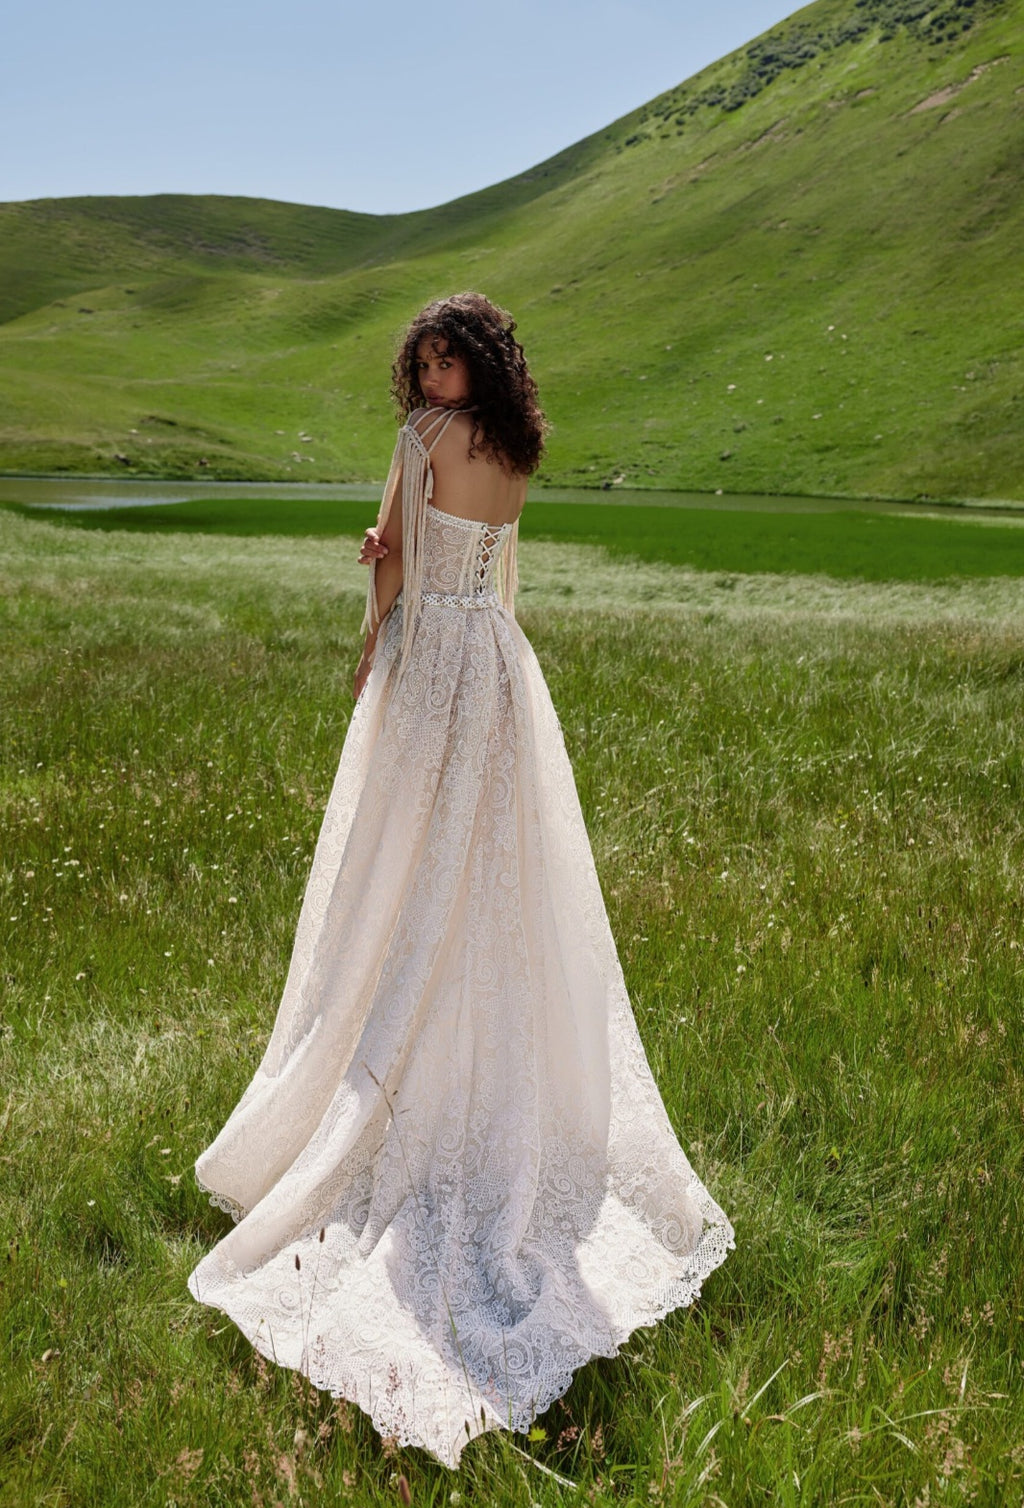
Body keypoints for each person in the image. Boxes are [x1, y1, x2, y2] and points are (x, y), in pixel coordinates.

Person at [188, 292, 733, 1468]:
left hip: (434, 659)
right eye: (427, 359)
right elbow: (501, 572)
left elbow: (392, 568)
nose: (430, 374)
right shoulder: (515, 448)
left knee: (395, 868)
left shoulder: (419, 442)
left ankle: (385, 1061)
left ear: (463, 365)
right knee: (494, 874)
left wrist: (371, 626)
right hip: (497, 661)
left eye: (442, 357)